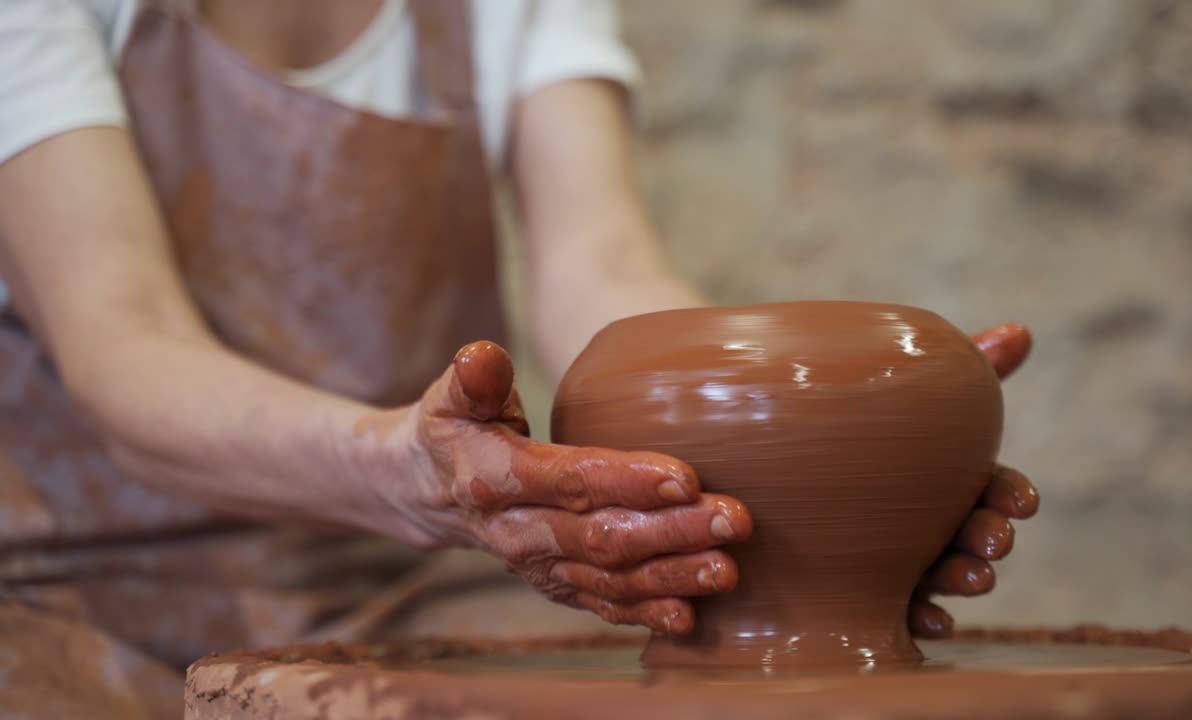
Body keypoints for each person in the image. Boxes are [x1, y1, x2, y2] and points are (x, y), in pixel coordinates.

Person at [0, 0, 1040, 717]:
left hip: (406, 587)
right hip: (84, 599)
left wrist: (805, 432)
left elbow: (601, 263)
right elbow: (123, 335)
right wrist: (399, 469)